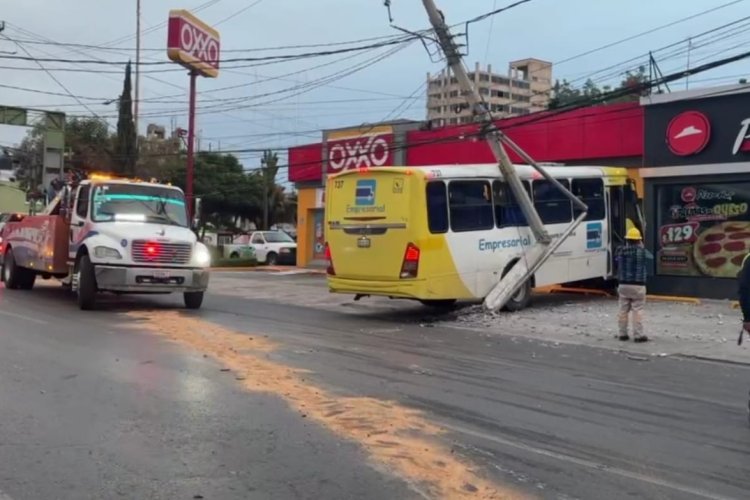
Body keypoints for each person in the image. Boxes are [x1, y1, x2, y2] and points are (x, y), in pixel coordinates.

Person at [615, 227, 652, 343]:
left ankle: (622, 334)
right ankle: (638, 335)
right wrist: (641, 246)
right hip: (638, 285)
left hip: (623, 284)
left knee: (623, 310)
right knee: (638, 310)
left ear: (627, 239)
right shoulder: (642, 252)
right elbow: (651, 257)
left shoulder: (621, 251)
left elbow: (616, 258)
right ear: (639, 240)